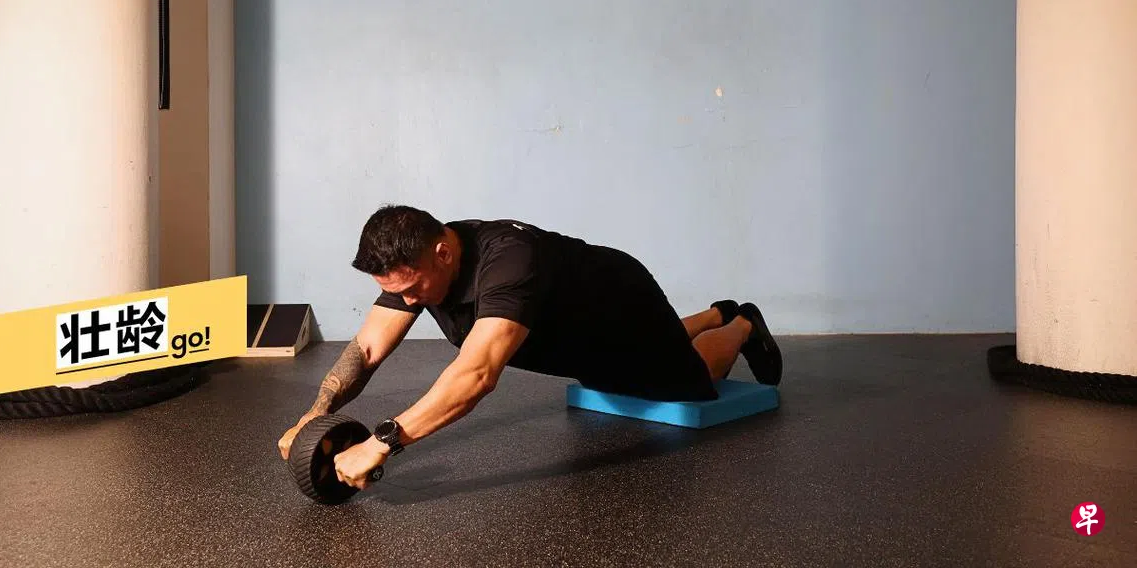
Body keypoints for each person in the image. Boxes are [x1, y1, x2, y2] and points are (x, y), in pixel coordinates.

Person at [277, 205, 782, 490]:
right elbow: (367, 349)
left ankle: (739, 321)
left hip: (621, 307)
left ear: (443, 253)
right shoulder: (417, 263)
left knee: (691, 380)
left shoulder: (509, 263)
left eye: (411, 290)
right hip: (575, 339)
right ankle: (711, 315)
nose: (405, 301)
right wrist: (316, 413)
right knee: (613, 375)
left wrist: (381, 442)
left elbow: (477, 375)